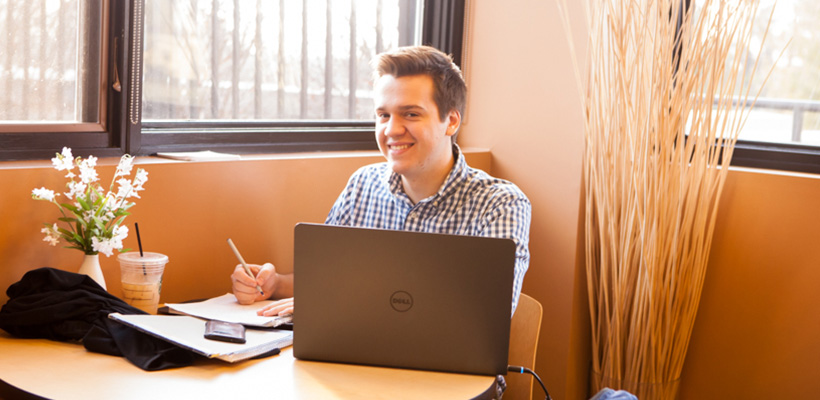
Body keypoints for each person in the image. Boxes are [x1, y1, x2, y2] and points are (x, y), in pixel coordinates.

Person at [232, 45, 531, 319]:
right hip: (355, 364)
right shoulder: (362, 185)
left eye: (411, 114)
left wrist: (341, 300)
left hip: (450, 377)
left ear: (451, 121)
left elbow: (487, 315)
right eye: (383, 115)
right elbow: (326, 279)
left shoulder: (501, 204)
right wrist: (273, 284)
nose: (391, 130)